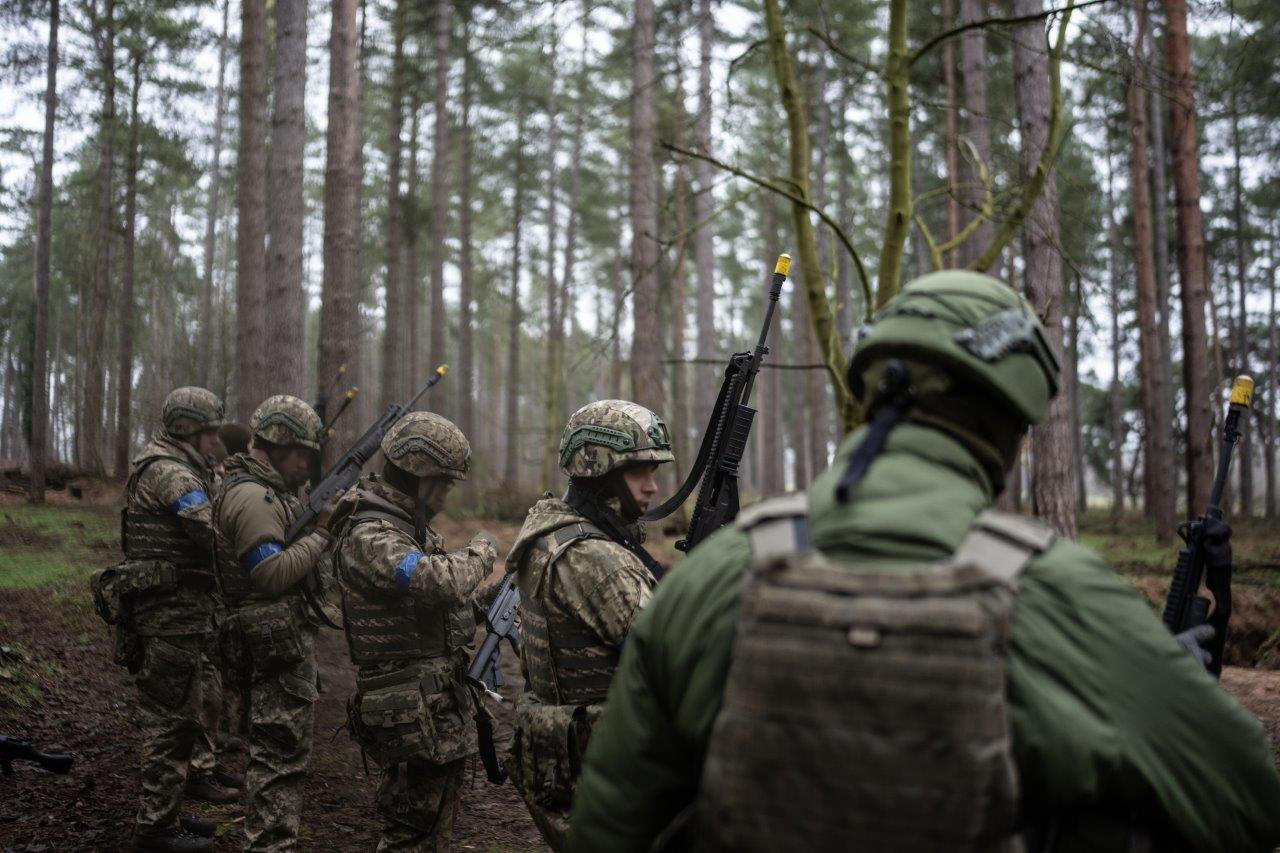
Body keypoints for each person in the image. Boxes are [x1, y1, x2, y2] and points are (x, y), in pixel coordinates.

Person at [566, 271, 1280, 853]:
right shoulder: (1062, 595)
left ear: (873, 392)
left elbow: (612, 825)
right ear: (1011, 421)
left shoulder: (711, 577)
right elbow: (1246, 803)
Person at [506, 400, 673, 850]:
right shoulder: (599, 562)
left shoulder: (548, 533)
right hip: (611, 775)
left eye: (654, 471)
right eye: (639, 472)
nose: (653, 486)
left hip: (566, 767)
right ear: (600, 471)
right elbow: (675, 662)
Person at [328, 411, 497, 851]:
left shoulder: (403, 527)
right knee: (409, 832)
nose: (445, 495)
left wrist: (489, 599)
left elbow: (437, 611)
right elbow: (433, 582)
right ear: (417, 474)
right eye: (443, 483)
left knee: (433, 826)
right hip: (407, 708)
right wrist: (481, 553)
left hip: (432, 704)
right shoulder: (370, 534)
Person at [212, 395, 333, 852]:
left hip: (273, 642)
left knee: (279, 757)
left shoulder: (268, 492)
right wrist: (322, 535)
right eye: (301, 453)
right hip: (270, 646)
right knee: (278, 761)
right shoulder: (252, 498)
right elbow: (269, 573)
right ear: (277, 445)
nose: (307, 464)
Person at [121, 386, 235, 852]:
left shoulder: (181, 466)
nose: (215, 441)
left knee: (184, 715)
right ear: (187, 429)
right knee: (169, 721)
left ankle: (166, 809)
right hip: (168, 617)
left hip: (182, 613)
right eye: (210, 432)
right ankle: (154, 829)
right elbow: (212, 531)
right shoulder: (170, 473)